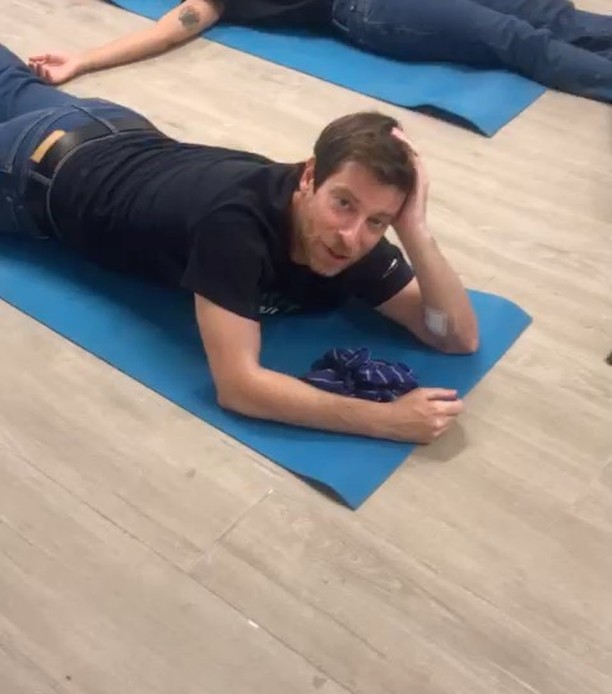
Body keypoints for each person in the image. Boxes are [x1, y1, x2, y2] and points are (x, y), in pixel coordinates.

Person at [0, 44, 478, 444]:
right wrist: (385, 420)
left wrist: (415, 231)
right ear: (309, 176)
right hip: (30, 172)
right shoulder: (236, 227)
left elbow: (454, 336)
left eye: (378, 220)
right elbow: (239, 387)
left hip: (110, 126)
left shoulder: (353, 237)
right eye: (343, 204)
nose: (352, 235)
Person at [28, 0, 612, 102]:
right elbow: (171, 28)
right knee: (515, 38)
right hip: (371, 9)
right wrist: (83, 59)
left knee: (547, 13)